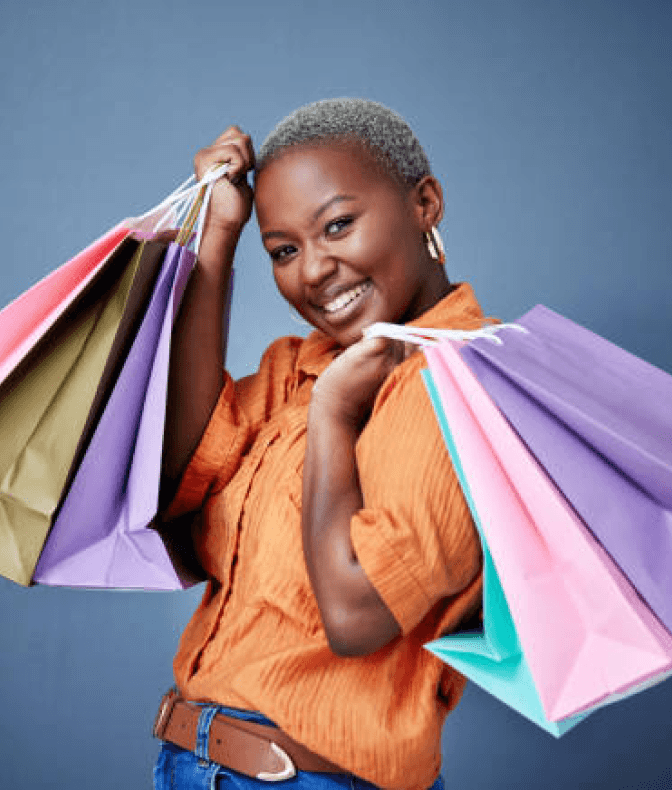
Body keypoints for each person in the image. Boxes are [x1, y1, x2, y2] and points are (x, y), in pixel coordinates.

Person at [154, 98, 485, 790]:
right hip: (195, 764)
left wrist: (335, 413)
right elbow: (176, 481)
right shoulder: (296, 368)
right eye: (283, 250)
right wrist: (217, 235)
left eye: (338, 225)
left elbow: (355, 615)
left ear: (425, 202)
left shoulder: (461, 388)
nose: (312, 271)